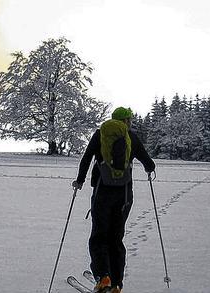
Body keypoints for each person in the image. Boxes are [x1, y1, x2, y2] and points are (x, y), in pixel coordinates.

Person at [72, 107, 155, 293]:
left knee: (99, 236)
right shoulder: (131, 137)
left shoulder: (100, 134)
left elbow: (85, 159)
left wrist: (79, 181)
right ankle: (117, 284)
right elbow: (148, 162)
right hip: (124, 196)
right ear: (126, 121)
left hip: (102, 194)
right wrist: (150, 169)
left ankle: (103, 277)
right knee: (116, 239)